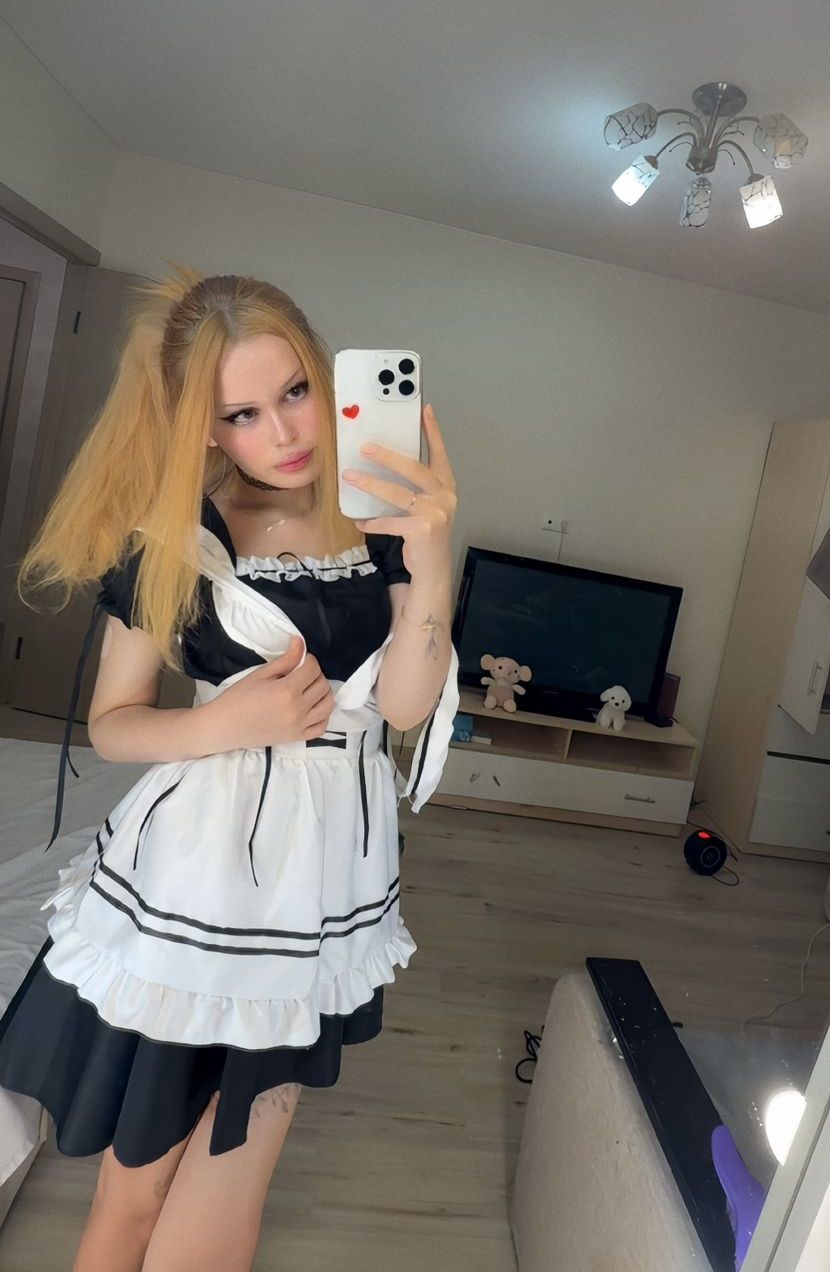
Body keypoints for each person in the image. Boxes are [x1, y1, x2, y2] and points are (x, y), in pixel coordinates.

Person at [0, 266, 460, 1272]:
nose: (283, 432)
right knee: (135, 1188)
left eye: (294, 392)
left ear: (326, 378)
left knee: (235, 1165)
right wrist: (226, 721)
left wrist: (433, 559)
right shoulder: (177, 539)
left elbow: (403, 709)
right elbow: (114, 725)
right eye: (242, 414)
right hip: (194, 885)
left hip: (323, 887)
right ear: (205, 430)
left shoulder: (383, 525)